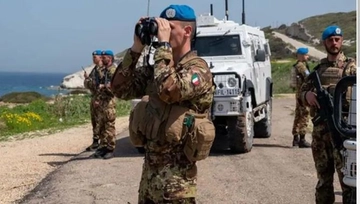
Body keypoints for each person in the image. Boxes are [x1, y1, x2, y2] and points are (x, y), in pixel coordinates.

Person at [110, 4, 215, 203]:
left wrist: (163, 48)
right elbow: (119, 88)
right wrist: (136, 48)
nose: (161, 34)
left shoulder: (198, 71)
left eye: (169, 28)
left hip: (177, 187)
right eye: (160, 29)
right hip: (150, 184)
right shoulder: (156, 70)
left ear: (187, 31)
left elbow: (170, 91)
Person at [300, 25, 356, 204]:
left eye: (337, 39)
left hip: (343, 134)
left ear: (341, 41)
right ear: (325, 42)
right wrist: (306, 95)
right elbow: (302, 93)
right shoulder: (318, 70)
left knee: (349, 182)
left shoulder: (351, 68)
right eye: (330, 40)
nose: (334, 43)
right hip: (321, 135)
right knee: (324, 181)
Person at [91, 50, 117, 159]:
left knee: (109, 126)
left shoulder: (113, 70)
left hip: (109, 102)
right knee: (101, 125)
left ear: (109, 58)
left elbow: (115, 87)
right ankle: (103, 146)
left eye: (104, 57)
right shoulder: (105, 71)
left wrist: (104, 86)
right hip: (102, 102)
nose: (102, 59)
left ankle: (110, 148)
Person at [83, 49, 104, 151]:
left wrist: (99, 99)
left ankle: (102, 143)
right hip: (94, 97)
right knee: (95, 121)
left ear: (100, 57)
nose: (93, 59)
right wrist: (87, 79)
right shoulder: (95, 69)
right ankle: (96, 142)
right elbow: (90, 85)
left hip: (100, 99)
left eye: (95, 57)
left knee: (101, 121)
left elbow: (101, 86)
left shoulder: (102, 69)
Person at [291, 47, 311, 148]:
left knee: (298, 115)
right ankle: (302, 139)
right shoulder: (301, 66)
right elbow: (308, 78)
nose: (308, 56)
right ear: (302, 55)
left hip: (299, 94)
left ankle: (295, 139)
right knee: (304, 115)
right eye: (306, 54)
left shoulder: (297, 65)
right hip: (303, 94)